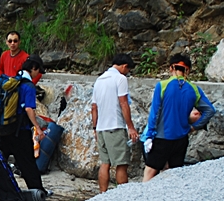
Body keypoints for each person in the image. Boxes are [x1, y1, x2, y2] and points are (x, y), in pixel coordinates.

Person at [143, 54, 215, 182]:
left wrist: (149, 136)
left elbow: (154, 113)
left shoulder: (163, 86)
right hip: (181, 138)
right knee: (173, 175)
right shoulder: (194, 89)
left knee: (150, 172)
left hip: (162, 137)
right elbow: (210, 110)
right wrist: (194, 127)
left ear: (171, 67)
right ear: (187, 70)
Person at [0, 57, 45, 191]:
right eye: (38, 71)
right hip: (20, 130)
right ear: (33, 68)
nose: (37, 75)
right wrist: (37, 128)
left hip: (3, 127)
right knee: (27, 162)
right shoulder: (28, 86)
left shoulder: (13, 82)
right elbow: (29, 108)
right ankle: (37, 190)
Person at [91, 53, 140, 192]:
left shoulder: (99, 80)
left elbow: (94, 107)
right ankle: (122, 196)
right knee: (121, 163)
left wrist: (95, 128)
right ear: (124, 66)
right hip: (116, 126)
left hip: (101, 128)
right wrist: (130, 127)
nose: (128, 73)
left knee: (105, 163)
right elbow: (123, 103)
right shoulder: (120, 79)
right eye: (128, 70)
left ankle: (103, 193)